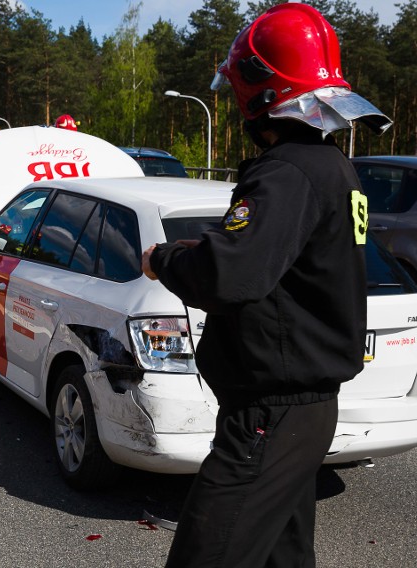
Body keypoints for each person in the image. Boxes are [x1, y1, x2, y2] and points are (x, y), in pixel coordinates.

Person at [140, 4, 392, 567]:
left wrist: (165, 260)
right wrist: (205, 249)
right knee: (284, 556)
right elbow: (271, 256)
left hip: (270, 416)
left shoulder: (285, 171)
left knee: (208, 553)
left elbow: (232, 275)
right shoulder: (331, 167)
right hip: (301, 408)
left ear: (258, 91)